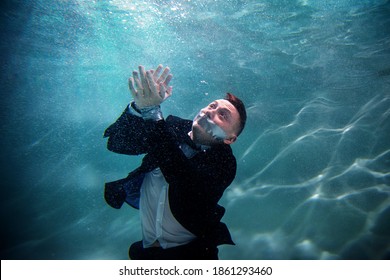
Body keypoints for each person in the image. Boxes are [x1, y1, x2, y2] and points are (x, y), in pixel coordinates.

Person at [103, 64, 246, 260]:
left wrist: (152, 113)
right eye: (212, 106)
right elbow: (118, 143)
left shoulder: (225, 164)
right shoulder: (170, 126)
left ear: (230, 139)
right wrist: (139, 108)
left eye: (223, 115)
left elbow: (183, 179)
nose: (211, 112)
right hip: (147, 252)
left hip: (194, 254)